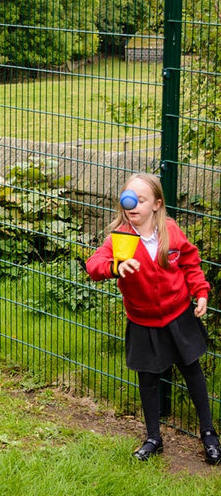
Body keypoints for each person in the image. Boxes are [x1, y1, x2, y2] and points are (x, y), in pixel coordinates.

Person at [86, 172, 221, 464]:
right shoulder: (121, 238)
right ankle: (153, 438)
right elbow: (94, 265)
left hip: (177, 315)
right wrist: (114, 267)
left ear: (157, 204)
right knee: (148, 379)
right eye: (127, 200)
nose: (131, 205)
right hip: (143, 320)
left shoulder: (170, 231)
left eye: (140, 200)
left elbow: (190, 262)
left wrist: (200, 292)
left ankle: (209, 433)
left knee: (192, 371)